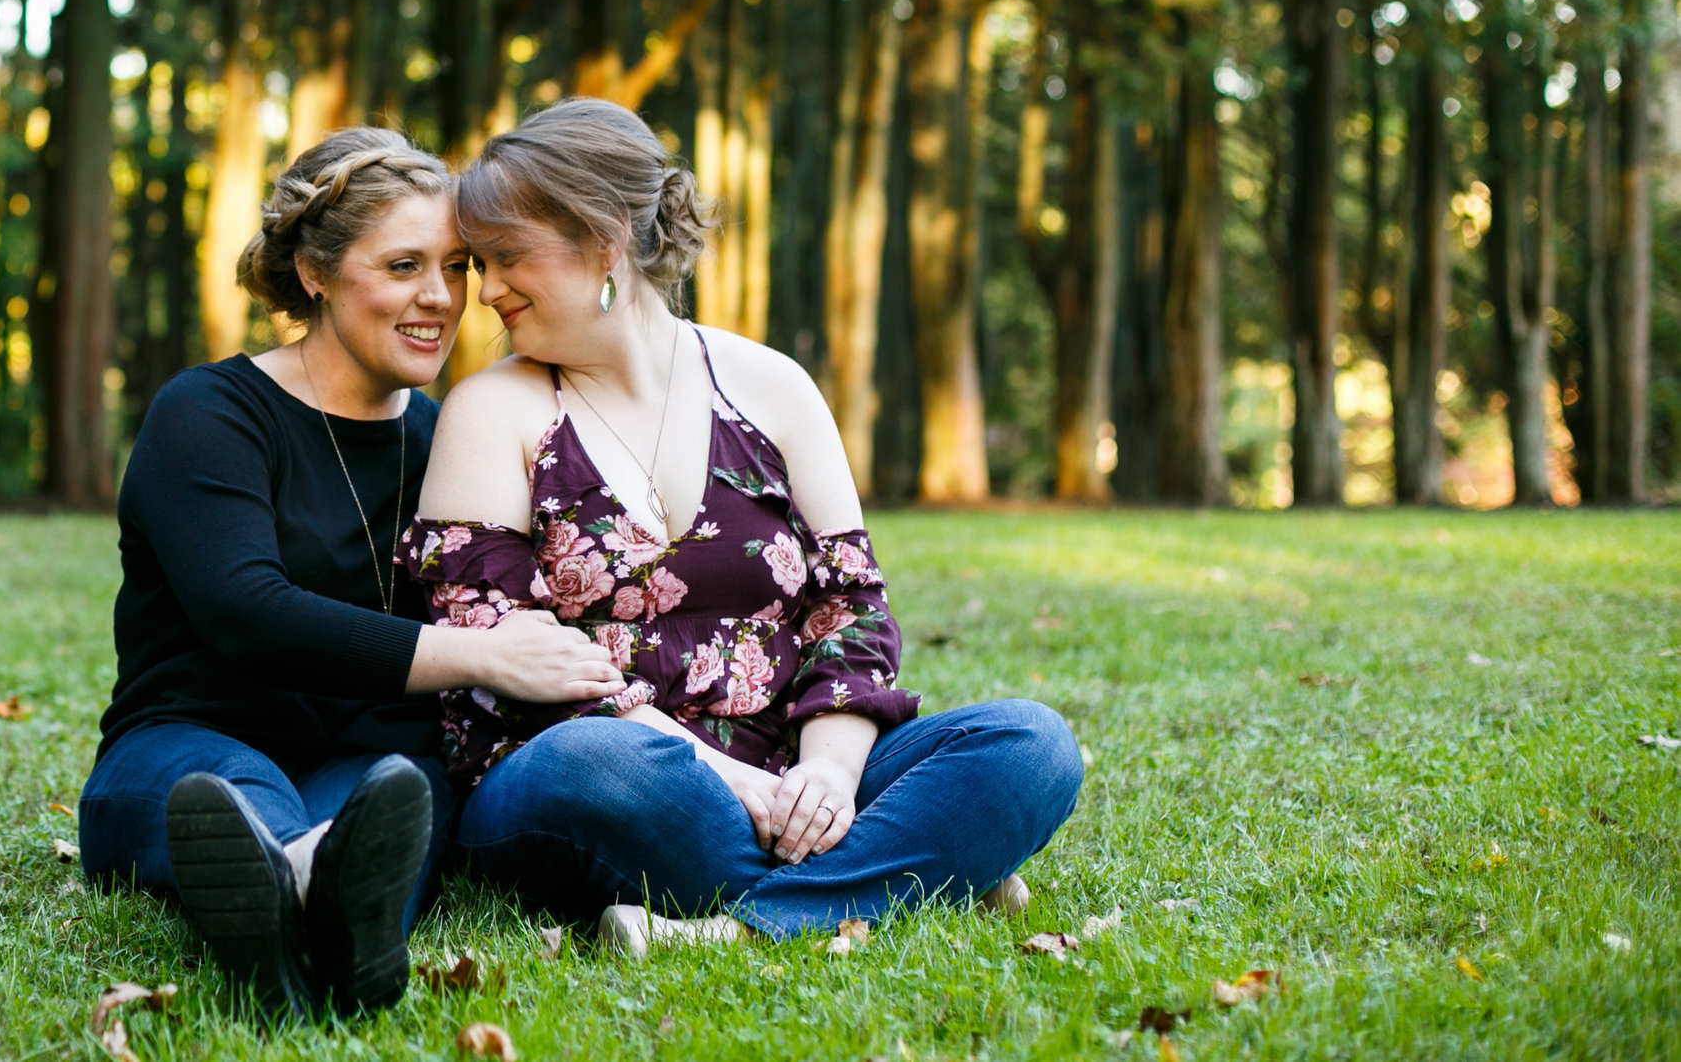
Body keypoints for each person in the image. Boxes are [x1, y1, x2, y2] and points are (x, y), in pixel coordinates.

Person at [403, 98, 1081, 954]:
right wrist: (738, 786)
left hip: (787, 762)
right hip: (589, 773)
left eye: (504, 259)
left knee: (1029, 744)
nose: (485, 290)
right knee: (604, 772)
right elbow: (500, 650)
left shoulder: (773, 387)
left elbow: (851, 613)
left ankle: (735, 929)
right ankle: (917, 874)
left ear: (602, 239)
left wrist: (826, 774)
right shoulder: (490, 410)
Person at [80, 127, 625, 1014]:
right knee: (233, 798)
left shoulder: (455, 436)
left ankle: (308, 923)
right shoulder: (211, 413)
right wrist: (479, 654)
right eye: (403, 265)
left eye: (456, 266)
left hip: (371, 752)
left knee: (395, 803)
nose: (441, 298)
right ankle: (304, 886)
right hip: (188, 740)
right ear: (315, 272)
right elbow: (245, 613)